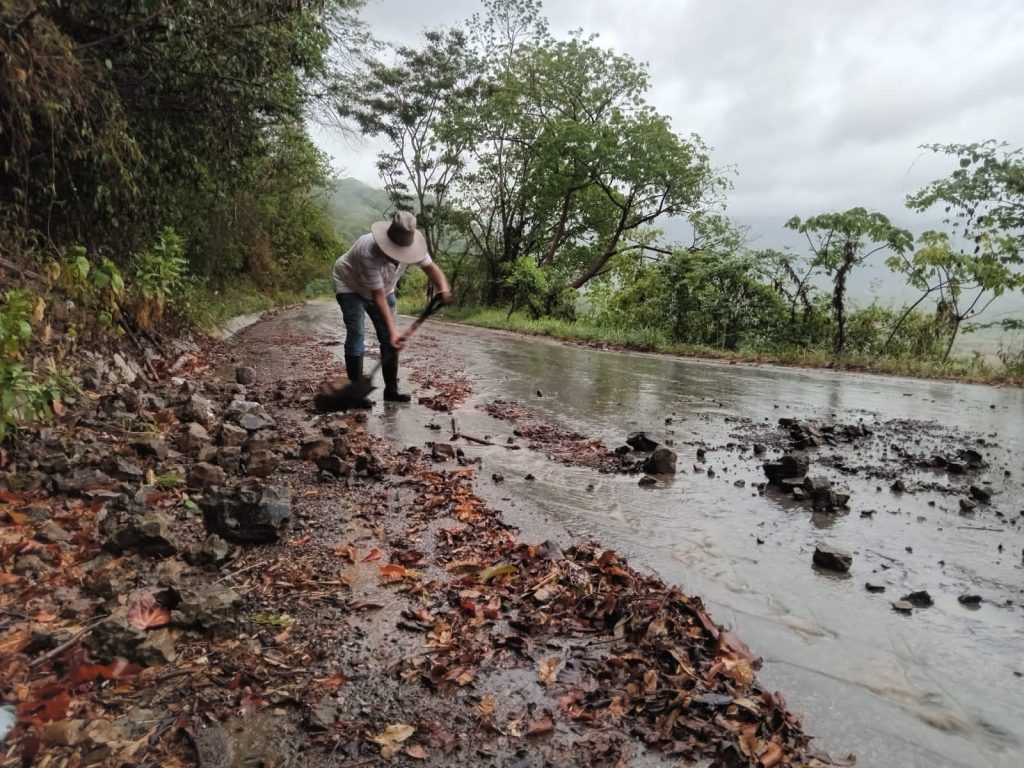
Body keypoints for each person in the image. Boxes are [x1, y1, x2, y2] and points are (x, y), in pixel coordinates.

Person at [331, 211, 450, 407]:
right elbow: (377, 297)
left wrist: (443, 288)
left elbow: (432, 269)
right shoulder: (368, 250)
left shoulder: (414, 247)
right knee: (356, 334)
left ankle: (391, 390)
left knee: (388, 339)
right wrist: (394, 332)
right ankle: (356, 392)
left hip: (384, 289)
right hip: (350, 285)